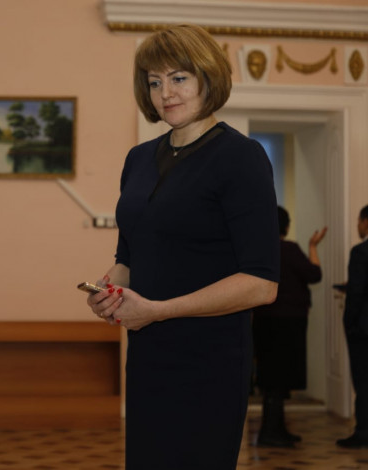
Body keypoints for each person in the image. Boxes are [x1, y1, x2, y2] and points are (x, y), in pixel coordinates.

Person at [85, 24, 280, 469]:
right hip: (148, 355)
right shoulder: (138, 158)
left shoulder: (241, 157)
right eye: (154, 82)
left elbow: (261, 283)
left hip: (209, 361)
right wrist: (108, 290)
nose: (165, 93)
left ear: (208, 78)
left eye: (178, 78)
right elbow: (128, 258)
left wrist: (157, 310)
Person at [252, 206, 326, 447]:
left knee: (271, 378)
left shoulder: (258, 251)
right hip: (287, 324)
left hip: (264, 322)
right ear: (285, 225)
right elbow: (314, 274)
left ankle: (276, 429)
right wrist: (313, 246)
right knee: (279, 379)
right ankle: (270, 432)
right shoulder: (289, 249)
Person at [337, 204, 368, 448]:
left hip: (363, 328)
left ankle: (364, 431)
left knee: (363, 379)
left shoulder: (361, 252)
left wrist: (348, 322)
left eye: (359, 221)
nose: (358, 226)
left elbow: (356, 292)